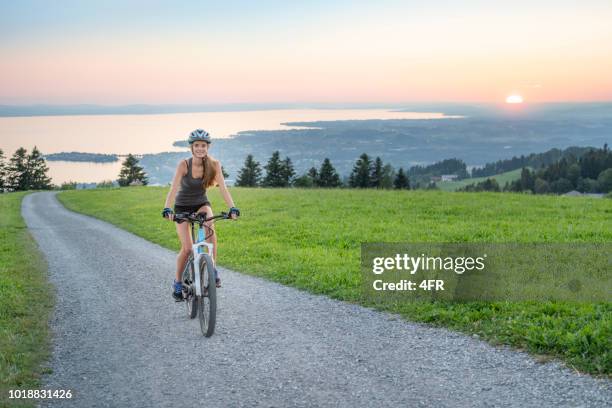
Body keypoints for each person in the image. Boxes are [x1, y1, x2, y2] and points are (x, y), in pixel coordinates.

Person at [162, 129, 240, 301]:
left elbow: (223, 189)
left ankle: (213, 269)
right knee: (188, 248)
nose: (200, 148)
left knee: (211, 232)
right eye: (196, 145)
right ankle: (177, 282)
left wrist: (233, 208)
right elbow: (173, 188)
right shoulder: (184, 165)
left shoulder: (214, 165)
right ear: (191, 147)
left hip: (201, 204)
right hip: (182, 206)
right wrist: (168, 208)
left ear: (208, 147)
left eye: (203, 145)